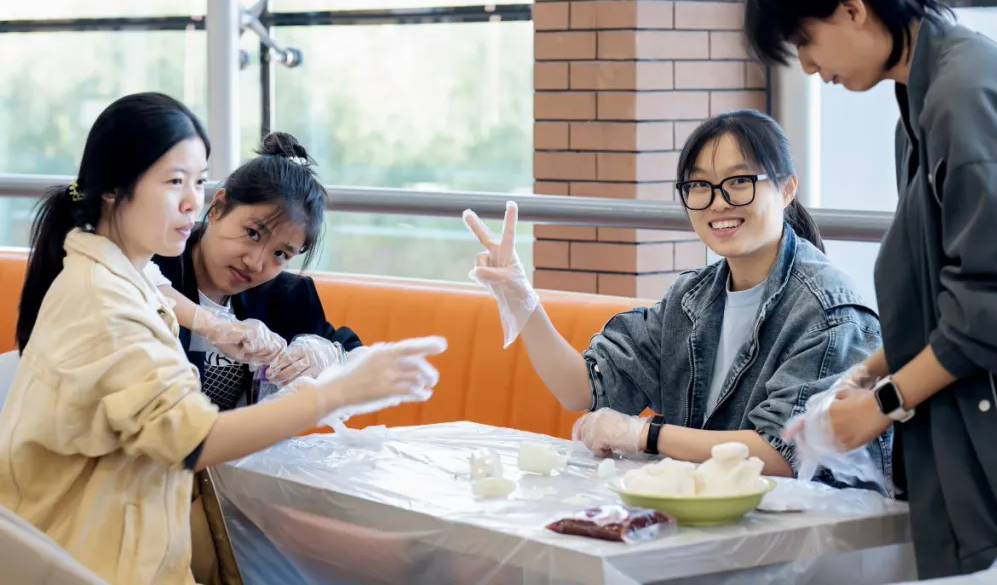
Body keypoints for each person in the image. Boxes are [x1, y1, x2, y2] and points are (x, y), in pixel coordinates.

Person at [744, 0, 997, 578]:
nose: (808, 66)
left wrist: (882, 404)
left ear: (852, 9)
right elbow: (950, 290)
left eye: (805, 41)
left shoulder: (962, 95)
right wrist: (868, 371)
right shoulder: (929, 96)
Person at [0, 92, 444, 585]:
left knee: (392, 557)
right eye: (175, 181)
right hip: (100, 552)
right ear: (114, 189)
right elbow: (191, 442)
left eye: (198, 180)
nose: (191, 200)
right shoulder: (113, 301)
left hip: (150, 528)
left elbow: (340, 345)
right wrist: (332, 394)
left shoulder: (121, 280)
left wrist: (322, 358)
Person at [464, 109, 889, 486]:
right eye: (700, 185)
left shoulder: (829, 309)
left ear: (787, 188)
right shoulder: (691, 298)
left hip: (807, 529)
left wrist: (645, 435)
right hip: (710, 516)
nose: (718, 202)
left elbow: (784, 453)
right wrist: (522, 301)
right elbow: (582, 390)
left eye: (739, 182)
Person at [146, 132, 360, 411]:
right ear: (218, 207)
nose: (256, 263)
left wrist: (331, 356)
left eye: (280, 254)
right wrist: (212, 324)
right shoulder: (153, 262)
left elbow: (363, 359)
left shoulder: (286, 296)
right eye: (253, 233)